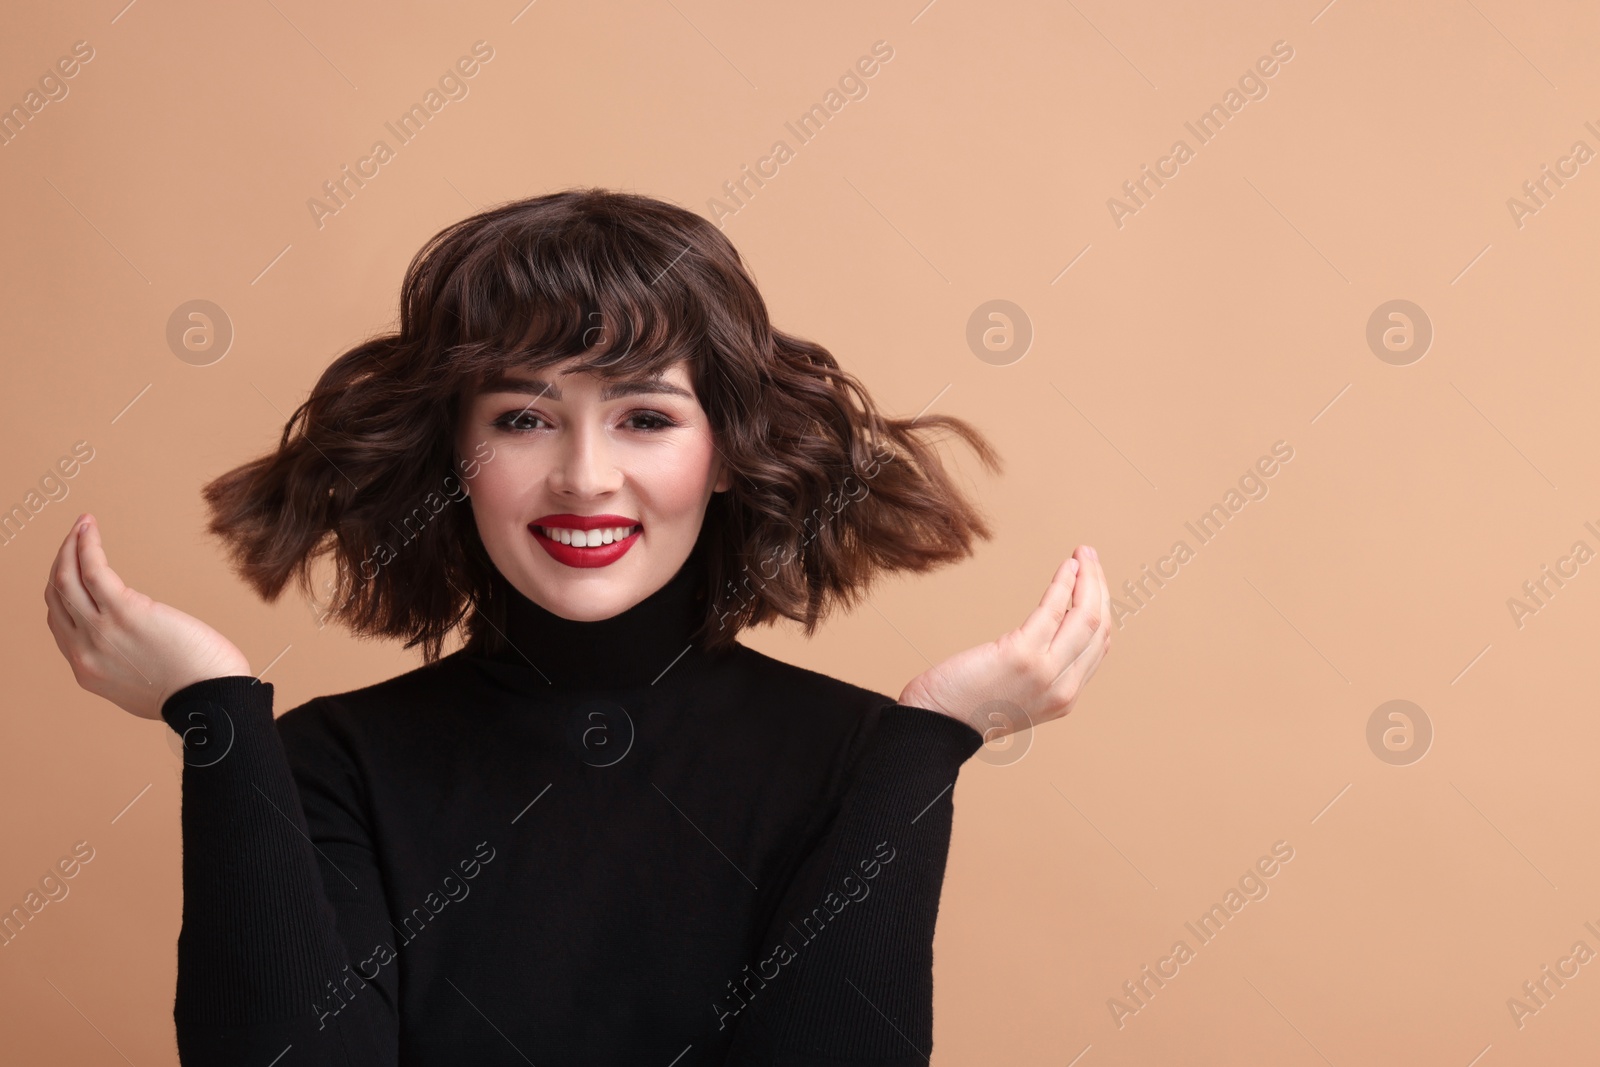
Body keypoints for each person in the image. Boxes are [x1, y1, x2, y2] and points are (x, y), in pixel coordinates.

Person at [44, 188, 1111, 1065]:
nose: (584, 477)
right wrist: (217, 717)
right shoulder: (331, 762)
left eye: (645, 417)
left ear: (725, 450)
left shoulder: (859, 757)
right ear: (451, 456)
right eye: (522, 418)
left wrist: (928, 740)